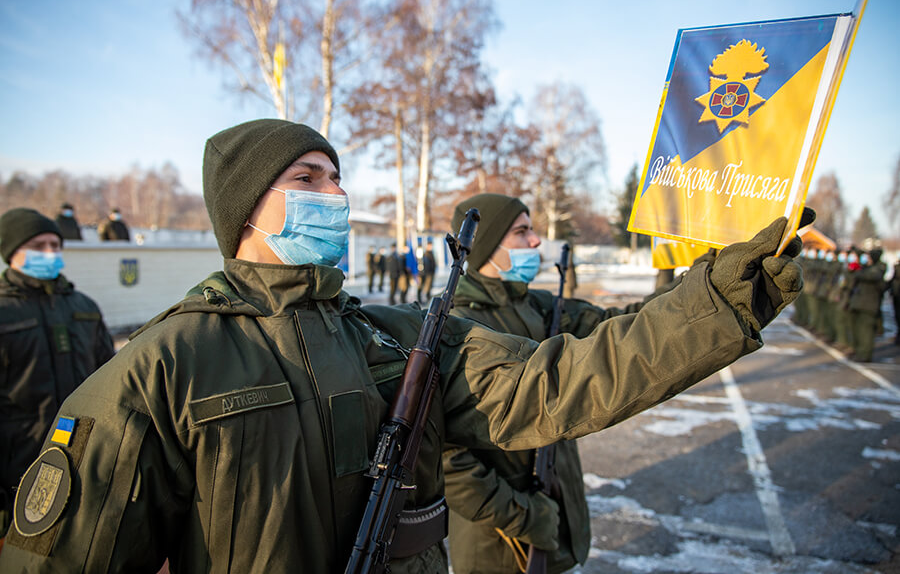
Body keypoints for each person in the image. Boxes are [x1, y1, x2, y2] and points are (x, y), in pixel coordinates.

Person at [0, 119, 808, 573]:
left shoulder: (390, 339)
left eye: (337, 176)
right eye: (309, 179)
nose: (338, 195)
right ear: (249, 208)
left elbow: (562, 381)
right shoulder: (162, 366)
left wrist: (723, 296)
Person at [441, 194, 676, 574]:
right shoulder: (455, 327)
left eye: (532, 230)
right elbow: (448, 461)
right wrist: (525, 515)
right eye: (522, 232)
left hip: (556, 520)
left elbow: (627, 325)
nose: (536, 241)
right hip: (498, 546)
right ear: (486, 246)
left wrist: (703, 279)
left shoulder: (537, 307)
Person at [0, 208, 115, 540]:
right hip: (18, 468)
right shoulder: (4, 312)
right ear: (12, 252)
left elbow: (110, 379)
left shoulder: (83, 306)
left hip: (85, 459)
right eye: (39, 245)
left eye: (55, 244)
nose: (50, 253)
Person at [846, 248, 887, 361]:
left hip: (869, 306)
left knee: (866, 332)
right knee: (859, 330)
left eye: (868, 257)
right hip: (860, 304)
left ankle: (865, 355)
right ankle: (859, 352)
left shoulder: (877, 269)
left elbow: (868, 276)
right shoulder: (867, 268)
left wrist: (857, 269)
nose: (866, 260)